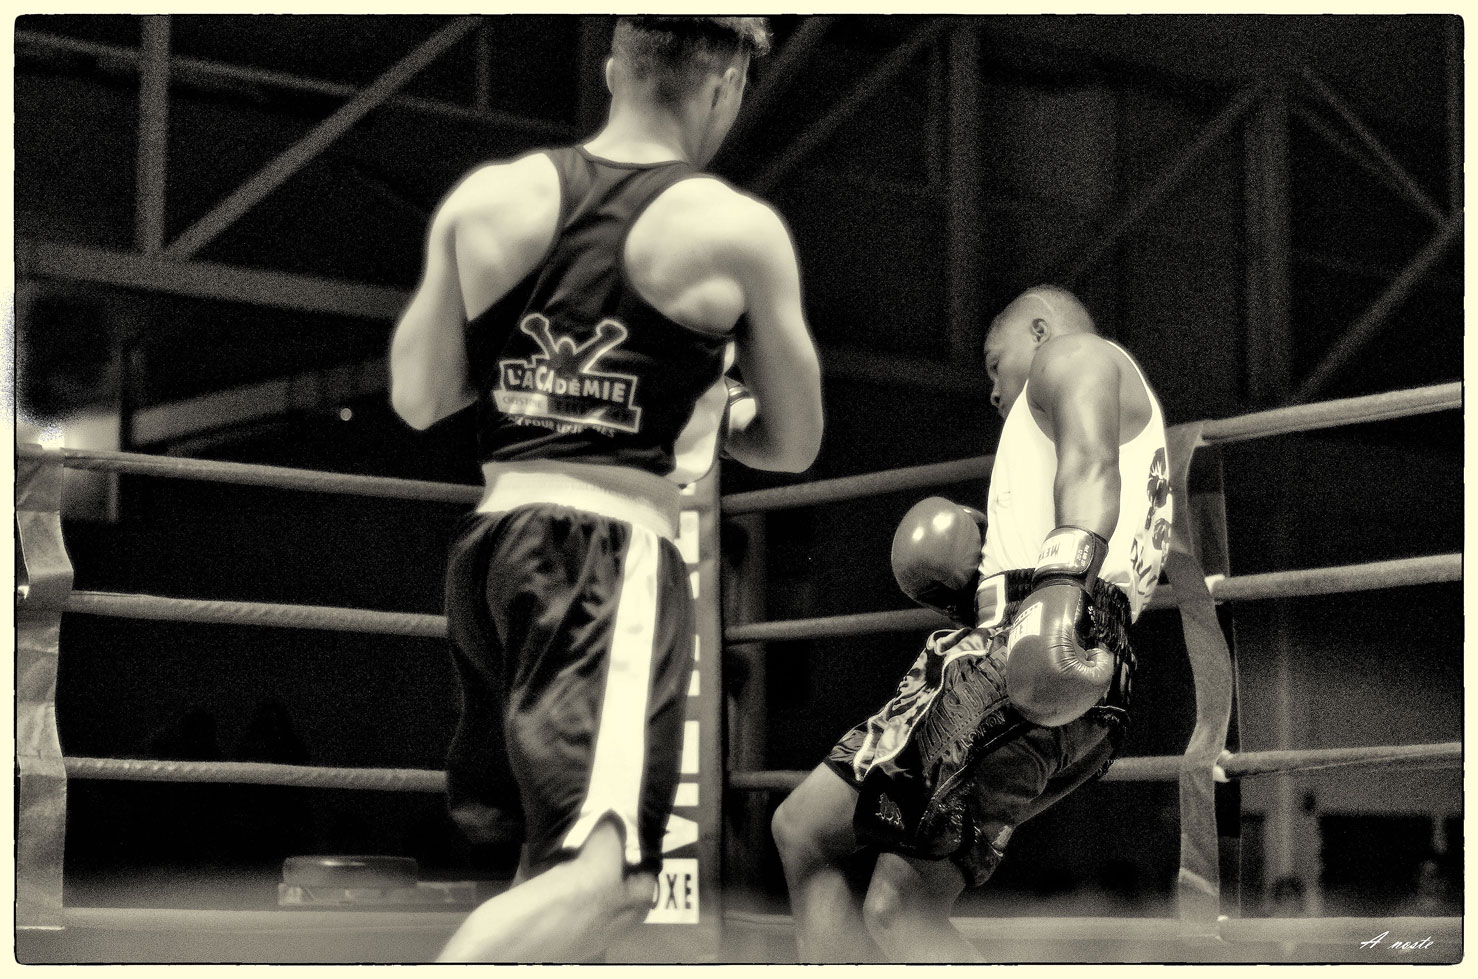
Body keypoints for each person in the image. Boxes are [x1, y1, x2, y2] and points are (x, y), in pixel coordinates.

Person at [388, 16, 823, 963]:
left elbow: (420, 397)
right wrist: (719, 408)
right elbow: (796, 443)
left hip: (492, 552)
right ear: (726, 83)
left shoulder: (485, 201)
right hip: (606, 557)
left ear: (614, 66)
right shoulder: (736, 232)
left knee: (549, 879)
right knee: (611, 877)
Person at [772, 285, 1172, 962]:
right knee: (804, 828)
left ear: (1041, 330)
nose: (990, 389)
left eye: (994, 362)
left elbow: (1091, 466)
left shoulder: (1076, 354)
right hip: (1035, 648)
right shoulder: (1064, 425)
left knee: (900, 907)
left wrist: (1058, 585)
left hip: (1034, 638)